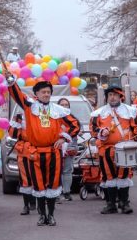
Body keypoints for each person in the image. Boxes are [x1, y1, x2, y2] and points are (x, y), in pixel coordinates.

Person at [7, 78, 81, 226]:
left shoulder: (58, 110)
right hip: (35, 153)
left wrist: (64, 138)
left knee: (53, 185)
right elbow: (17, 95)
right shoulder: (30, 107)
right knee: (39, 186)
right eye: (43, 92)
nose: (46, 94)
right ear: (37, 94)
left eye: (48, 92)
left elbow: (75, 125)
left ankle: (51, 215)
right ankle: (42, 216)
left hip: (54, 153)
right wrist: (11, 81)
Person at [91, 85, 137, 214]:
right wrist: (101, 132)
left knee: (124, 176)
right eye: (110, 95)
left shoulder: (131, 111)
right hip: (106, 150)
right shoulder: (98, 113)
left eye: (115, 94)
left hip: (126, 149)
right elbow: (94, 129)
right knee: (108, 177)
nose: (112, 97)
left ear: (121, 96)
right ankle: (110, 204)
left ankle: (124, 203)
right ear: (106, 97)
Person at [57, 98, 77, 201]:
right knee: (56, 171)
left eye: (66, 104)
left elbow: (76, 130)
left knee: (68, 170)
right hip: (56, 148)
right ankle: (56, 194)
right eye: (62, 104)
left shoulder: (73, 118)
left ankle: (67, 192)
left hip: (69, 147)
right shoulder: (54, 117)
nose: (64, 106)